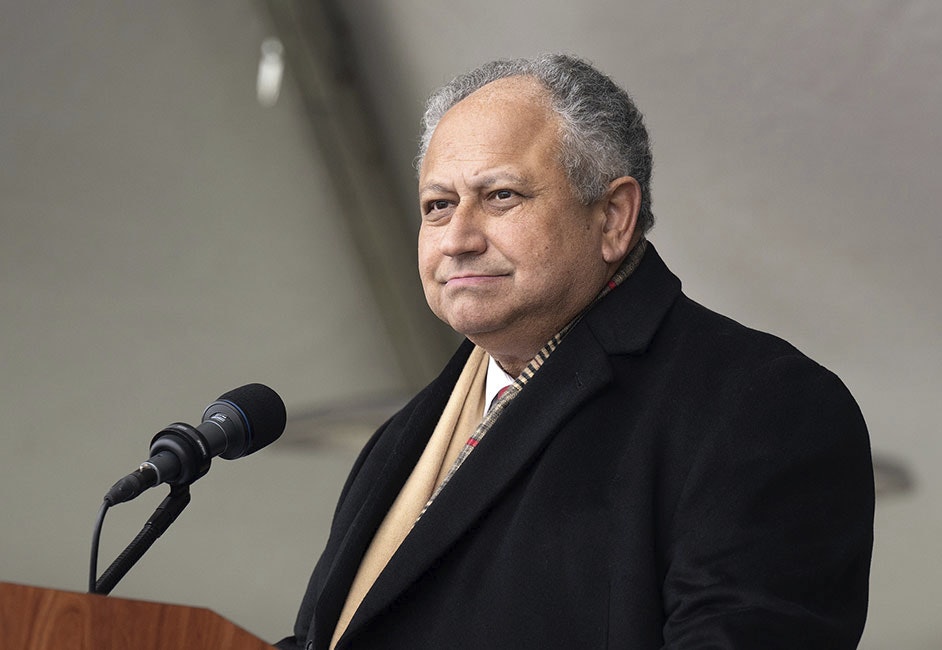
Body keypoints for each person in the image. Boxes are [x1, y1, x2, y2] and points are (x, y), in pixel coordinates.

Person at [277, 54, 874, 650]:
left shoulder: (759, 405)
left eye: (501, 196)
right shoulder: (404, 436)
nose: (457, 239)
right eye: (438, 205)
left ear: (613, 216)